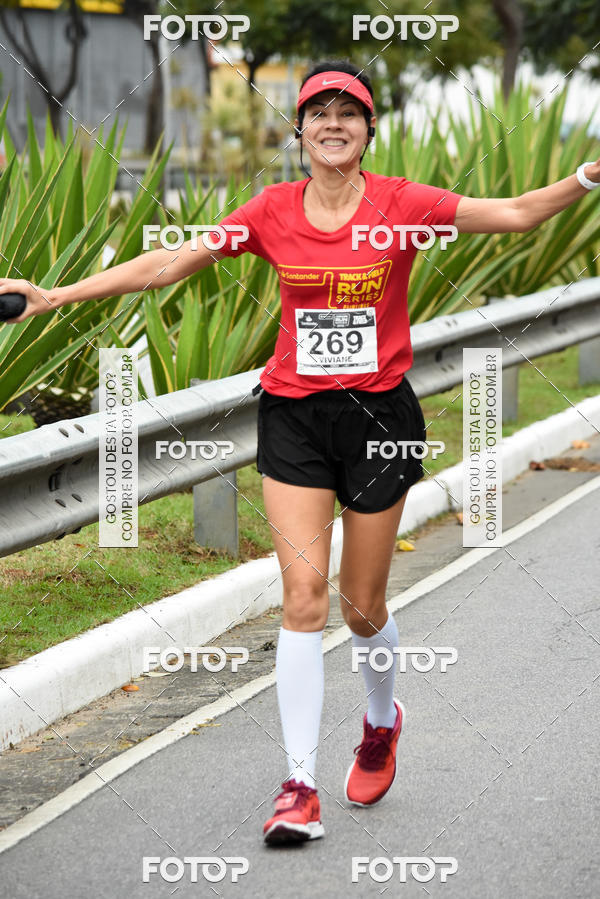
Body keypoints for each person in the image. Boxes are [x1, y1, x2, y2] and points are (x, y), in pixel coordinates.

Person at [2, 58, 599, 847]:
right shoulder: (270, 210)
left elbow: (519, 213)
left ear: (368, 128)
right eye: (319, 112)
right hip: (293, 416)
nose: (333, 123)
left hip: (380, 417)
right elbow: (170, 261)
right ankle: (297, 784)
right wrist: (57, 294)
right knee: (303, 599)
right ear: (300, 130)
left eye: (348, 112)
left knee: (362, 608)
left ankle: (381, 722)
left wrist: (588, 176)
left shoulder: (403, 204)